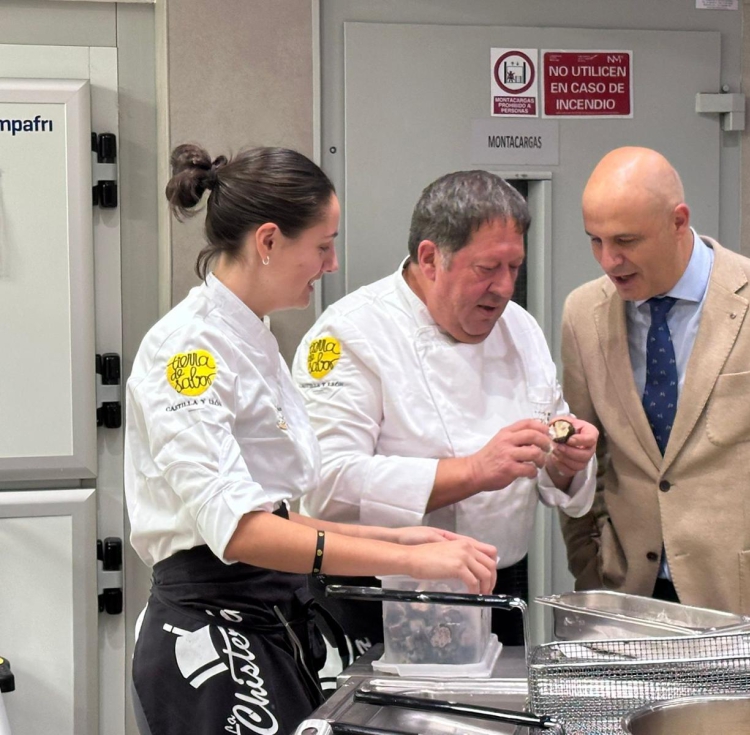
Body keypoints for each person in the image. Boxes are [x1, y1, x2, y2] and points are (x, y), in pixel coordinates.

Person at [125, 145, 498, 735]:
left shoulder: (254, 338)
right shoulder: (188, 352)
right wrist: (408, 559)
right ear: (269, 241)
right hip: (211, 631)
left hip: (267, 612)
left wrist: (396, 535)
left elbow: (273, 512)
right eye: (323, 245)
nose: (331, 263)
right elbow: (242, 532)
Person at [559, 147, 750, 635]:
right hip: (628, 604)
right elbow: (583, 458)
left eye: (625, 241)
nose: (608, 260)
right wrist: (590, 568)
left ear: (678, 221)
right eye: (595, 241)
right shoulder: (583, 314)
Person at [292, 170, 599, 647]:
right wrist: (472, 471)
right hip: (377, 599)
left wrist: (566, 462)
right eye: (487, 268)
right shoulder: (348, 334)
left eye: (514, 267)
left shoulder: (520, 329)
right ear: (430, 258)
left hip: (497, 589)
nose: (504, 287)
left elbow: (548, 466)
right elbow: (327, 484)